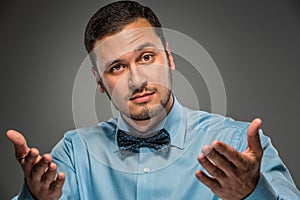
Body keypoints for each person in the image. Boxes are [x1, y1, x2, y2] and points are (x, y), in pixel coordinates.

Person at [7, 1, 300, 199]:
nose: (137, 80)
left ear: (169, 58)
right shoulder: (74, 153)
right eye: (117, 67)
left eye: (147, 57)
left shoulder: (239, 144)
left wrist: (252, 193)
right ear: (99, 81)